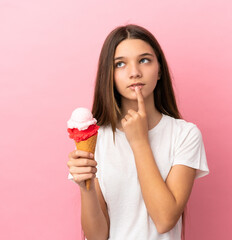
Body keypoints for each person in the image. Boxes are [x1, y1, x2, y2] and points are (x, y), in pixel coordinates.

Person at [67, 24, 209, 240]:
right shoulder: (97, 139)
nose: (134, 72)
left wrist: (139, 141)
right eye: (120, 64)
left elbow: (165, 219)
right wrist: (85, 187)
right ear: (110, 75)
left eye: (144, 60)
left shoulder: (185, 134)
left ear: (159, 69)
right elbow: (97, 236)